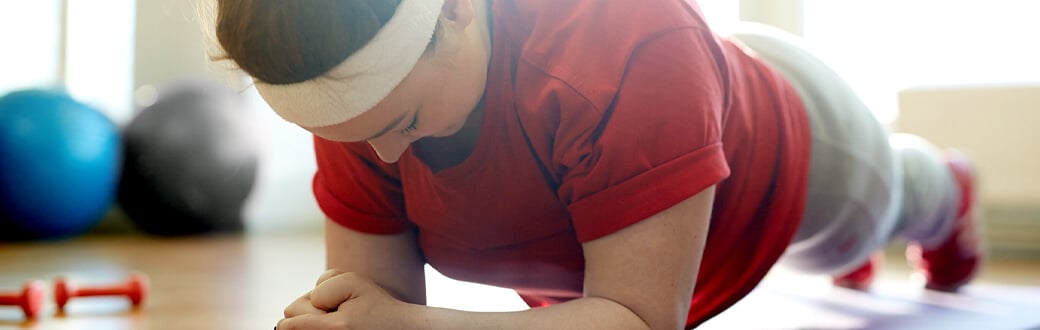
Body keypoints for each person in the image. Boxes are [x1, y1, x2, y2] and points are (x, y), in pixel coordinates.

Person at [210, 0, 983, 328]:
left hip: (796, 152)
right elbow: (375, 309)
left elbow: (638, 319)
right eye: (350, 137)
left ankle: (948, 189)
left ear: (456, 9)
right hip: (649, 141)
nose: (380, 157)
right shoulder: (364, 112)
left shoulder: (624, 40)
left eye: (402, 122)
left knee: (879, 216)